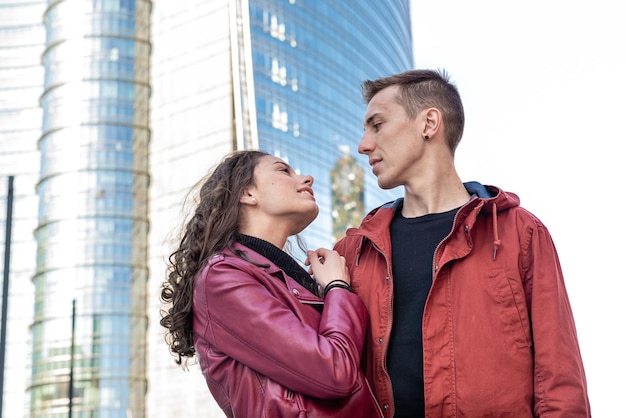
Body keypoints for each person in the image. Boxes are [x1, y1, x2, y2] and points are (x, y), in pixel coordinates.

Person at [333, 69, 591, 417]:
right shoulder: (352, 252)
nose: (363, 144)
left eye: (376, 125)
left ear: (429, 123)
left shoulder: (519, 232)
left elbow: (560, 381)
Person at [160, 150, 383, 418]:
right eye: (283, 170)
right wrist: (338, 288)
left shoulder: (289, 280)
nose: (307, 179)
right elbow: (335, 370)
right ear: (248, 193)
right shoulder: (223, 276)